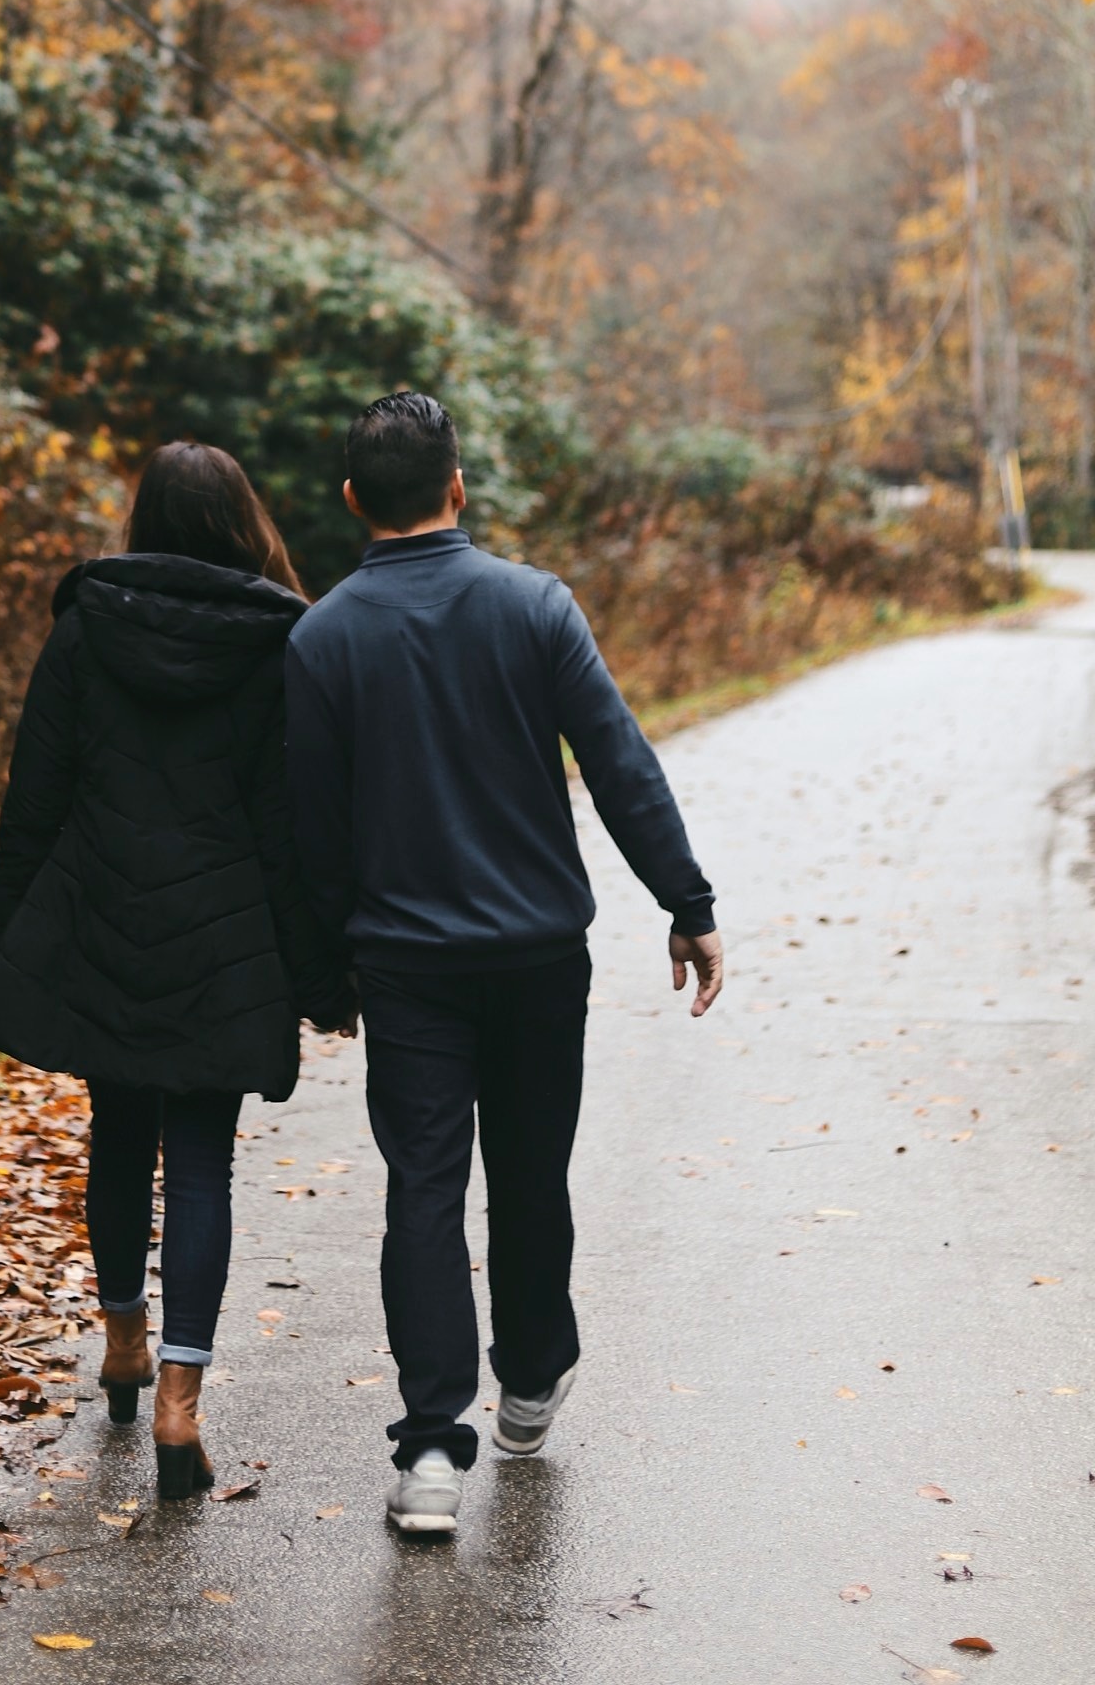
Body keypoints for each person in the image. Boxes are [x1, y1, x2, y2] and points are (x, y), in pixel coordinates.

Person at [285, 389, 723, 1538]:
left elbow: (308, 837)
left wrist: (323, 979)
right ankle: (529, 1380)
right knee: (531, 1173)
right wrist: (686, 902)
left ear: (352, 500)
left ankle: (431, 1451)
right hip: (536, 959)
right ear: (457, 484)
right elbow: (619, 762)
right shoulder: (535, 608)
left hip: (406, 969)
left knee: (423, 1190)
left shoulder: (321, 639)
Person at [0, 441, 352, 1500]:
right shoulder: (279, 642)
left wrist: (4, 944)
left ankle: (123, 1346)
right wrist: (322, 976)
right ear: (243, 521)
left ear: (144, 519)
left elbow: (33, 800)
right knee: (200, 1165)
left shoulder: (86, 627)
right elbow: (288, 830)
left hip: (102, 919)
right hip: (223, 940)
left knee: (118, 1136)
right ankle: (180, 1406)